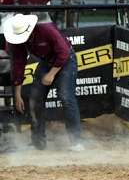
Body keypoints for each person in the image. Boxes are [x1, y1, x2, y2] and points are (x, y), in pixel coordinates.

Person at [4, 13, 83, 151]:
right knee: (35, 100)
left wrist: (51, 74)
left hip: (65, 61)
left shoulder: (47, 30)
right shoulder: (18, 42)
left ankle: (75, 141)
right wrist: (17, 94)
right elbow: (18, 64)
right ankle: (38, 142)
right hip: (46, 61)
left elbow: (63, 53)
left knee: (66, 97)